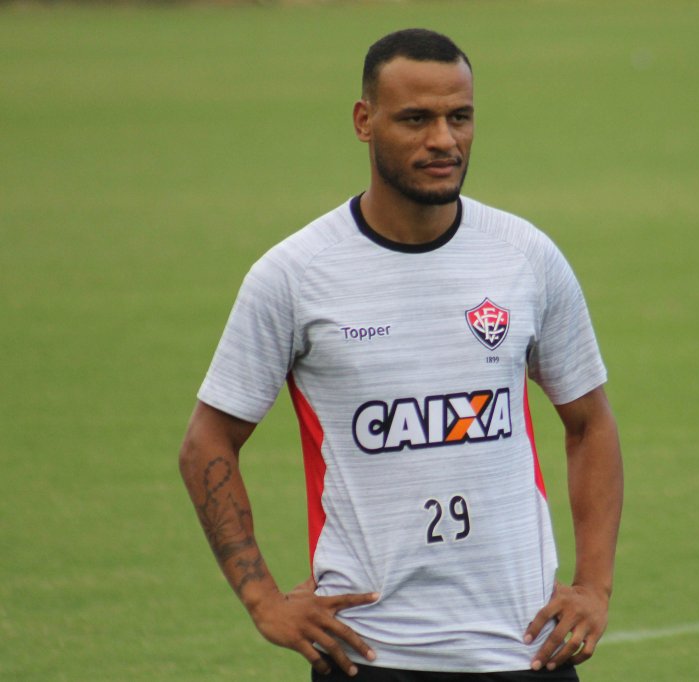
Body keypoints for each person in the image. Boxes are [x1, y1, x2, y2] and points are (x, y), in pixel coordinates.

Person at [178, 28, 623, 682]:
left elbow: (590, 423)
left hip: (526, 650)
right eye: (416, 119)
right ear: (365, 121)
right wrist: (262, 600)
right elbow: (206, 443)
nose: (443, 140)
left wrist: (594, 588)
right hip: (373, 657)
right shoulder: (296, 275)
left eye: (459, 117)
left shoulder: (524, 256)